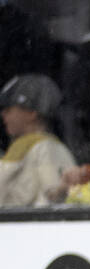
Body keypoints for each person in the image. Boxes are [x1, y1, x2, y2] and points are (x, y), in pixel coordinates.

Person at [0, 74, 77, 207]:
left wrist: (62, 189)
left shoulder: (46, 148)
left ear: (31, 113)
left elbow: (55, 197)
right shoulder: (21, 147)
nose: (3, 114)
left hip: (31, 225)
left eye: (8, 109)